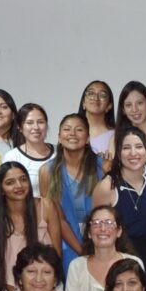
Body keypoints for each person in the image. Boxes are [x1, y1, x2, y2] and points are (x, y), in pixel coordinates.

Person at [91, 126, 146, 281]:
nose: (133, 153)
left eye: (138, 147)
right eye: (126, 148)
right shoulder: (106, 187)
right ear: (118, 152)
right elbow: (97, 230)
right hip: (118, 259)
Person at [0, 161, 61, 291]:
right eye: (10, 182)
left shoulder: (46, 206)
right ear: (1, 189)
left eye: (23, 179)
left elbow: (57, 254)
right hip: (11, 289)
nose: (18, 186)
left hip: (47, 286)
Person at [40, 114, 104, 277]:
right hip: (65, 242)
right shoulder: (47, 171)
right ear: (59, 138)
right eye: (67, 129)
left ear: (88, 138)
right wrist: (81, 250)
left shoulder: (103, 166)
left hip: (101, 237)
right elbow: (53, 217)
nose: (72, 134)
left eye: (79, 130)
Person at [65, 205, 142, 291]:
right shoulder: (76, 266)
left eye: (109, 223)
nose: (103, 228)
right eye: (96, 223)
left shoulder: (134, 263)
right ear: (89, 233)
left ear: (119, 231)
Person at [1, 102, 55, 197]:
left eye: (40, 122)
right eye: (29, 123)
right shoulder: (12, 157)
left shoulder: (60, 152)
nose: (36, 127)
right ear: (20, 127)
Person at [79, 80, 116, 155]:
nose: (96, 98)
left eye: (102, 95)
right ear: (83, 102)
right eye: (91, 93)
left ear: (109, 106)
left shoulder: (116, 136)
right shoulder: (72, 132)